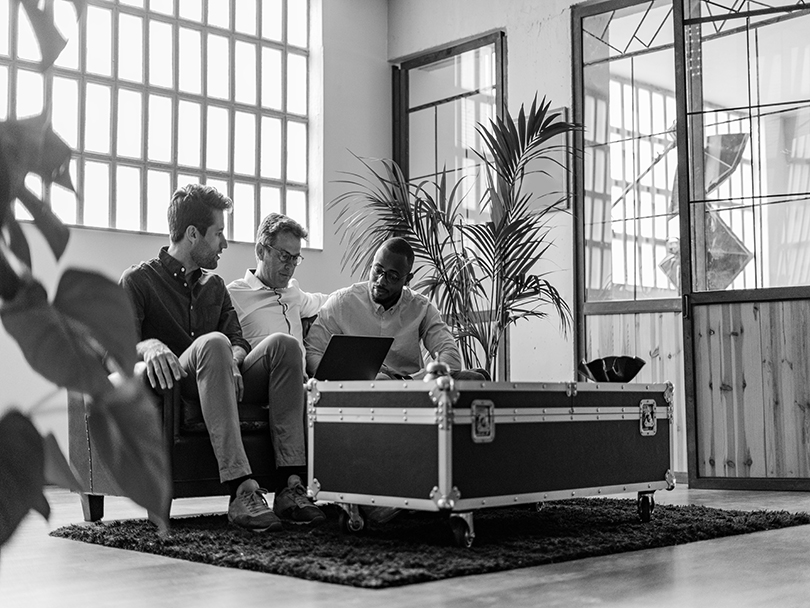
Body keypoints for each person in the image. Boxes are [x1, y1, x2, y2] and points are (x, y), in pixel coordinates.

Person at [119, 184, 322, 533]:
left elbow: (238, 340)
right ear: (193, 234)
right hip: (177, 383)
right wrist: (149, 345)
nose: (225, 244)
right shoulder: (139, 280)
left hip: (224, 377)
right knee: (214, 343)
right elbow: (119, 345)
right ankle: (242, 490)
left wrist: (235, 357)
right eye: (219, 234)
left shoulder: (214, 286)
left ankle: (291, 486)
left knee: (285, 345)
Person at [226, 213, 330, 523]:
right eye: (284, 256)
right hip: (254, 377)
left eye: (296, 258)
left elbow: (329, 301)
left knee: (322, 387)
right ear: (261, 251)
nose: (289, 265)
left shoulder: (294, 292)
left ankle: (360, 495)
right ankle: (289, 482)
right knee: (284, 344)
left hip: (292, 383)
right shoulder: (234, 294)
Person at [304, 236, 484, 381]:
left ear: (407, 279)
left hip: (408, 391)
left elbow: (450, 356)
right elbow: (312, 350)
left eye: (393, 276)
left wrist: (409, 381)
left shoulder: (421, 308)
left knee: (476, 378)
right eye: (378, 270)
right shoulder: (342, 303)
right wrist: (344, 379)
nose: (381, 281)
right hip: (358, 390)